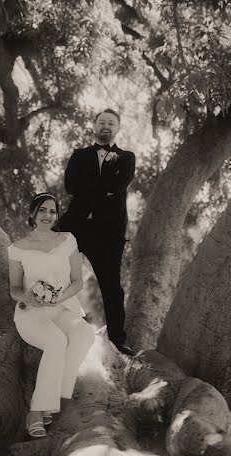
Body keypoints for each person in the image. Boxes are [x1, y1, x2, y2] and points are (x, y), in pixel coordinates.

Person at [8, 193, 95, 438]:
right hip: (31, 313)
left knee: (84, 334)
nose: (48, 215)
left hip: (63, 306)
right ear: (32, 214)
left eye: (53, 211)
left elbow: (77, 281)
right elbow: (14, 288)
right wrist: (29, 298)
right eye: (43, 210)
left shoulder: (68, 241)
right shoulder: (16, 249)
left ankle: (53, 397)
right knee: (56, 341)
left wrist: (59, 296)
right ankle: (36, 412)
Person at [56, 108, 135, 355]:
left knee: (112, 287)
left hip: (109, 232)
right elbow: (70, 186)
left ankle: (118, 341)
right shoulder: (79, 155)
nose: (106, 126)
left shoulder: (127, 157)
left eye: (111, 123)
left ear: (117, 128)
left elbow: (119, 184)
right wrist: (105, 188)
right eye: (102, 122)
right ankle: (50, 324)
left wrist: (90, 186)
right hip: (74, 225)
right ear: (94, 126)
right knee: (51, 269)